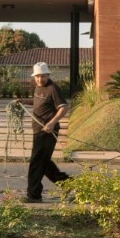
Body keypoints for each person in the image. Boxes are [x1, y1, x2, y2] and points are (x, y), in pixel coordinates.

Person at [15, 61, 70, 202]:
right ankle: (68, 184)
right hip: (38, 130)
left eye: (43, 76)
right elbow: (38, 102)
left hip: (47, 132)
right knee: (44, 163)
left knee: (36, 162)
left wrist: (52, 123)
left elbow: (64, 108)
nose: (40, 79)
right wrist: (24, 101)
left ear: (48, 75)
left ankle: (34, 195)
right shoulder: (38, 88)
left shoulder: (53, 89)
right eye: (37, 76)